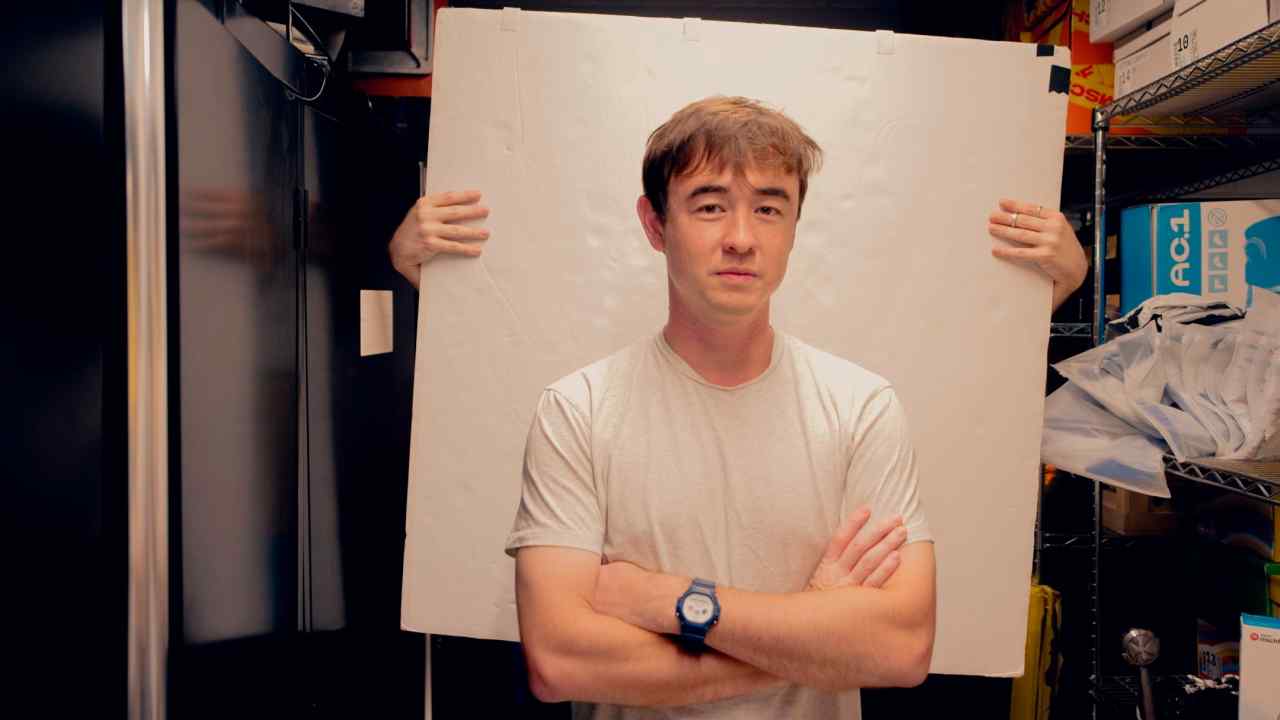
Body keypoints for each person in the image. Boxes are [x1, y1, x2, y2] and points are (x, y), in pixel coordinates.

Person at [387, 97, 1088, 719]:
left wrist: (671, 602)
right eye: (710, 204)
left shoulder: (860, 407)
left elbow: (900, 649)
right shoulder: (578, 411)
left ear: (792, 227)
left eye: (770, 207)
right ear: (655, 224)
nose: (742, 237)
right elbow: (560, 664)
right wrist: (817, 631)